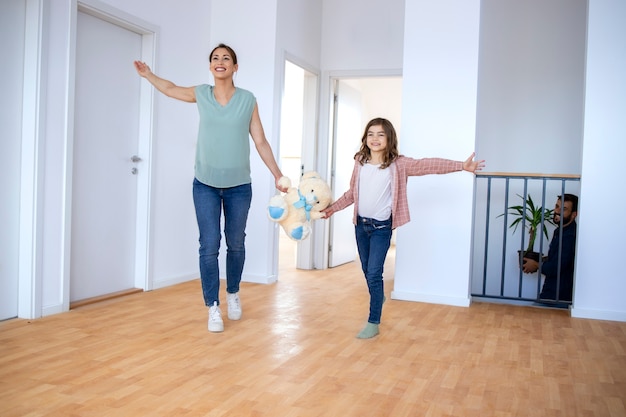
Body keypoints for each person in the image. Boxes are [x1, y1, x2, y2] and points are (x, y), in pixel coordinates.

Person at [134, 44, 286, 333]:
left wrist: (278, 175)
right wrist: (149, 75)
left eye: (226, 58)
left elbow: (261, 141)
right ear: (210, 66)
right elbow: (171, 88)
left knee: (236, 243)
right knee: (209, 244)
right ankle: (212, 307)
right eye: (215, 58)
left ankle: (233, 293)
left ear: (235, 67)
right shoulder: (201, 93)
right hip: (204, 184)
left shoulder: (248, 100)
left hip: (239, 186)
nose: (220, 62)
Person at [321, 118, 485, 339]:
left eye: (380, 134)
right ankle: (378, 297)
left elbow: (428, 165)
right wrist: (332, 209)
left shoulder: (398, 164)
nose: (375, 138)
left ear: (389, 138)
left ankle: (373, 321)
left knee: (373, 273)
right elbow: (352, 193)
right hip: (361, 226)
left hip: (381, 228)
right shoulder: (359, 162)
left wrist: (460, 166)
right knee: (368, 273)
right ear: (365, 138)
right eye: (371, 134)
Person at [522, 194, 578, 304]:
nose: (557, 211)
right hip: (551, 293)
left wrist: (536, 265)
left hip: (558, 297)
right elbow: (557, 259)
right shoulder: (560, 231)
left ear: (574, 214)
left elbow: (555, 268)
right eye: (557, 206)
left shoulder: (569, 237)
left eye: (564, 209)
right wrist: (540, 261)